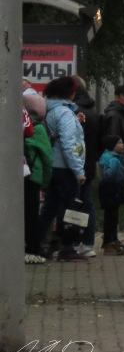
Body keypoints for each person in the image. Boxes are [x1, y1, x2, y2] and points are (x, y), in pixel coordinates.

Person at [35, 76, 90, 262]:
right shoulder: (65, 113)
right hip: (65, 168)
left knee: (50, 208)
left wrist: (76, 121)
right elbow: (68, 144)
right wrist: (78, 170)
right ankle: (68, 247)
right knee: (70, 208)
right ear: (70, 93)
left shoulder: (49, 110)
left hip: (53, 166)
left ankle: (36, 245)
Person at [72, 76, 101, 257]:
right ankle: (88, 242)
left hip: (75, 164)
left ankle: (74, 241)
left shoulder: (74, 112)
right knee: (87, 203)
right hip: (89, 163)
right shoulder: (92, 111)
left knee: (74, 203)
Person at [23, 94, 53, 264]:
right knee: (32, 214)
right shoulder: (39, 130)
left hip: (16, 175)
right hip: (33, 175)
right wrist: (46, 181)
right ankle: (32, 250)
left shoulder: (14, 127)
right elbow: (47, 158)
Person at [98, 134, 124, 255]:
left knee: (113, 215)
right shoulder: (113, 160)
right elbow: (108, 174)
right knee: (111, 216)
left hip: (114, 188)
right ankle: (109, 242)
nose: (123, 145)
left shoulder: (117, 157)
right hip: (112, 188)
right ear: (112, 146)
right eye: (119, 143)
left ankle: (113, 239)